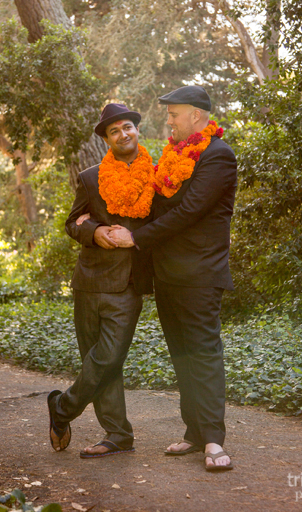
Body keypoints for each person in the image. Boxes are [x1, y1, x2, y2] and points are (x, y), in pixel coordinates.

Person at [108, 85, 236, 472]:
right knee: (182, 355)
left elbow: (192, 210)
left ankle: (214, 439)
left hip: (199, 273)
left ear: (197, 116)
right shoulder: (171, 157)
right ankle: (195, 432)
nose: (169, 120)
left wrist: (137, 238)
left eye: (174, 114)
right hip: (167, 274)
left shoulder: (218, 155)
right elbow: (152, 205)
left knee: (204, 354)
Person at [46, 103, 154, 459]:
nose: (123, 134)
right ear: (106, 139)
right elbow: (72, 222)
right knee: (97, 360)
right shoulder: (91, 177)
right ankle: (118, 435)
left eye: (127, 127)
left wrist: (134, 236)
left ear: (137, 129)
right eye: (114, 131)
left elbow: (169, 225)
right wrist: (96, 230)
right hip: (89, 281)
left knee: (107, 358)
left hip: (128, 283)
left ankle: (62, 409)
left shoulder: (159, 176)